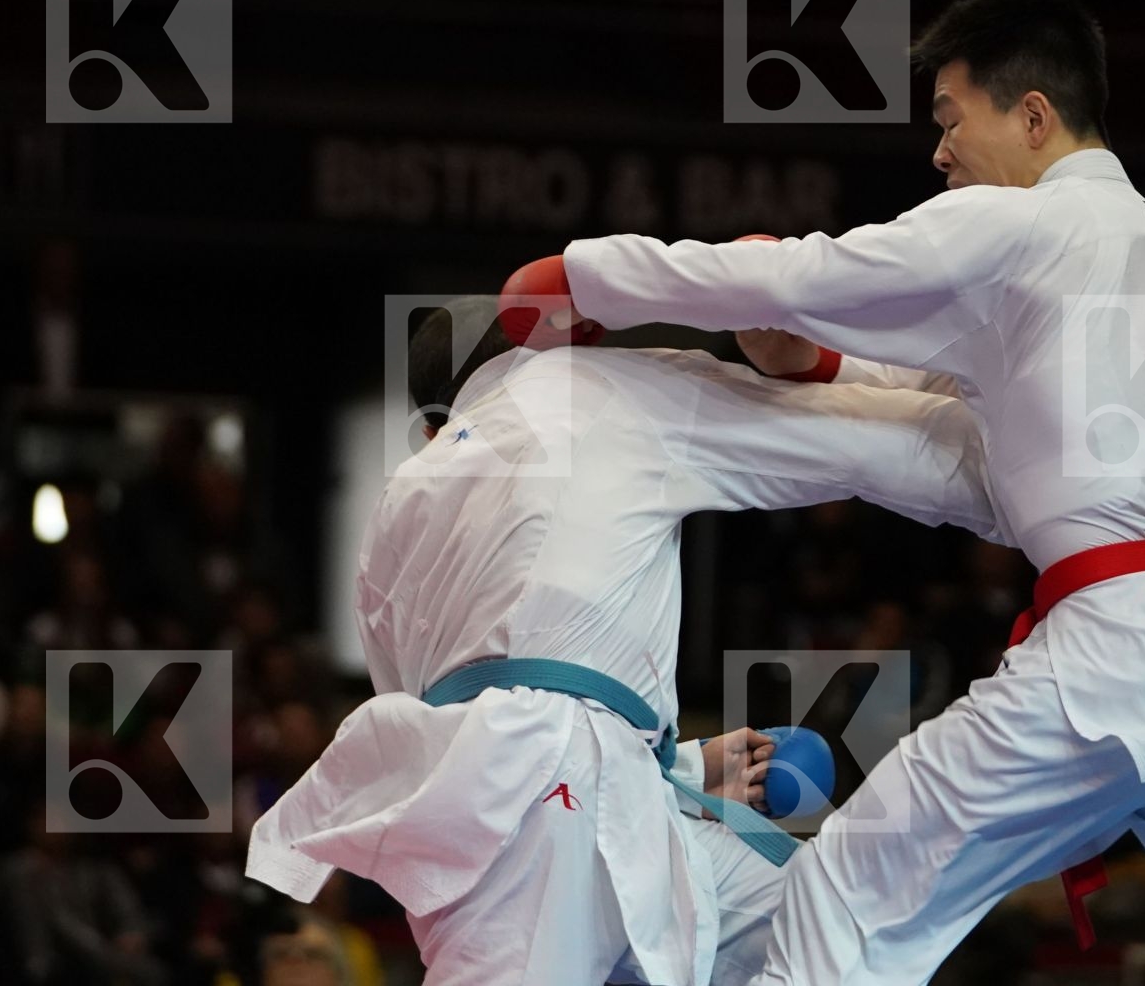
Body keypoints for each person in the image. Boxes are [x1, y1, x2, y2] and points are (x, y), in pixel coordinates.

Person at [539, 0, 1145, 984]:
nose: (939, 153)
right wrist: (814, 365)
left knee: (858, 879)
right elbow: (994, 441)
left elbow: (816, 274)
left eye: (950, 119)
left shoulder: (1023, 229)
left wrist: (589, 278)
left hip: (1114, 661)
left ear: (1033, 115)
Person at [246, 295, 1005, 985]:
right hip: (548, 805)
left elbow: (447, 706)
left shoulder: (397, 500)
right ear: (549, 349)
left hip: (557, 804)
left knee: (817, 925)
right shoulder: (594, 389)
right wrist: (1031, 481)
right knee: (845, 936)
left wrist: (683, 766)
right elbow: (852, 438)